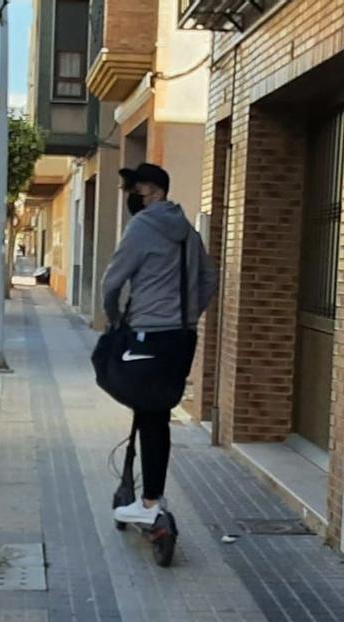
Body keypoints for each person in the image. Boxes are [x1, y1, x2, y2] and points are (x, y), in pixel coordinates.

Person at [102, 163, 217, 525]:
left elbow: (112, 282)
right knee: (157, 416)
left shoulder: (142, 227)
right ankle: (153, 494)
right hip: (183, 338)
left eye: (133, 190)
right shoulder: (187, 230)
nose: (130, 197)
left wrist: (115, 319)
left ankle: (150, 504)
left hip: (147, 335)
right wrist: (189, 315)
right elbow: (209, 278)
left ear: (153, 191)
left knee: (147, 414)